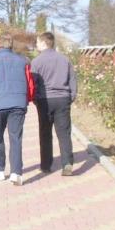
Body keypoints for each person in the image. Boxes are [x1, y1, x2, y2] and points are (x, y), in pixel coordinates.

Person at [0, 33, 35, 186]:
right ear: (11, 45)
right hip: (18, 104)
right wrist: (27, 99)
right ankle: (16, 173)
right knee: (15, 138)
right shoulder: (24, 61)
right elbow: (30, 84)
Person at [30, 31, 78, 176]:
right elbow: (73, 80)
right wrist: (71, 96)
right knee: (64, 133)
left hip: (44, 100)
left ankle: (46, 165)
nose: (36, 45)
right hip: (63, 99)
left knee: (45, 133)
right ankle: (67, 163)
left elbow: (33, 83)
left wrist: (34, 99)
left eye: (37, 42)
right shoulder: (65, 60)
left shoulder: (36, 62)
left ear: (44, 43)